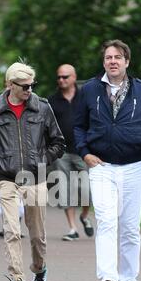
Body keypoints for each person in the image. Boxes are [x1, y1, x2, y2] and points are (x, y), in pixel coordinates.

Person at [74, 39, 141, 281]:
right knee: (106, 220)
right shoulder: (90, 90)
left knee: (129, 227)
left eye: (117, 57)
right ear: (103, 62)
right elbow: (79, 126)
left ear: (127, 61)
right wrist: (85, 153)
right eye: (108, 57)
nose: (112, 61)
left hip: (134, 166)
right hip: (101, 165)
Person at [0, 61, 65, 281]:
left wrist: (42, 160)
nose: (29, 90)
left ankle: (39, 272)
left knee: (37, 234)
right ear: (10, 85)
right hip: (7, 179)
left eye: (32, 85)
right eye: (25, 86)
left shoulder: (42, 108)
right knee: (12, 231)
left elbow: (58, 143)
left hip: (35, 178)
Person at [48, 64, 94, 241]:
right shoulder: (52, 101)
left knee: (86, 190)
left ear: (74, 77)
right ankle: (72, 228)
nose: (61, 80)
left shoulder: (86, 98)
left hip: (84, 151)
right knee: (65, 189)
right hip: (62, 152)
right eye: (59, 77)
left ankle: (84, 216)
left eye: (65, 77)